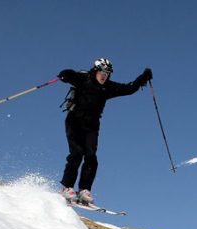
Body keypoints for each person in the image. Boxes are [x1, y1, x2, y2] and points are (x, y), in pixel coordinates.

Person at [57, 58, 152, 204]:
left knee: (91, 156)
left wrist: (143, 77)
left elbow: (129, 88)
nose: (104, 76)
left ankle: (84, 190)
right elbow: (69, 74)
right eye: (102, 72)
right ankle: (66, 187)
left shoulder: (108, 87)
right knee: (77, 153)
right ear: (95, 71)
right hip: (74, 121)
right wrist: (64, 74)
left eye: (107, 73)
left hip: (92, 125)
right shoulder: (84, 79)